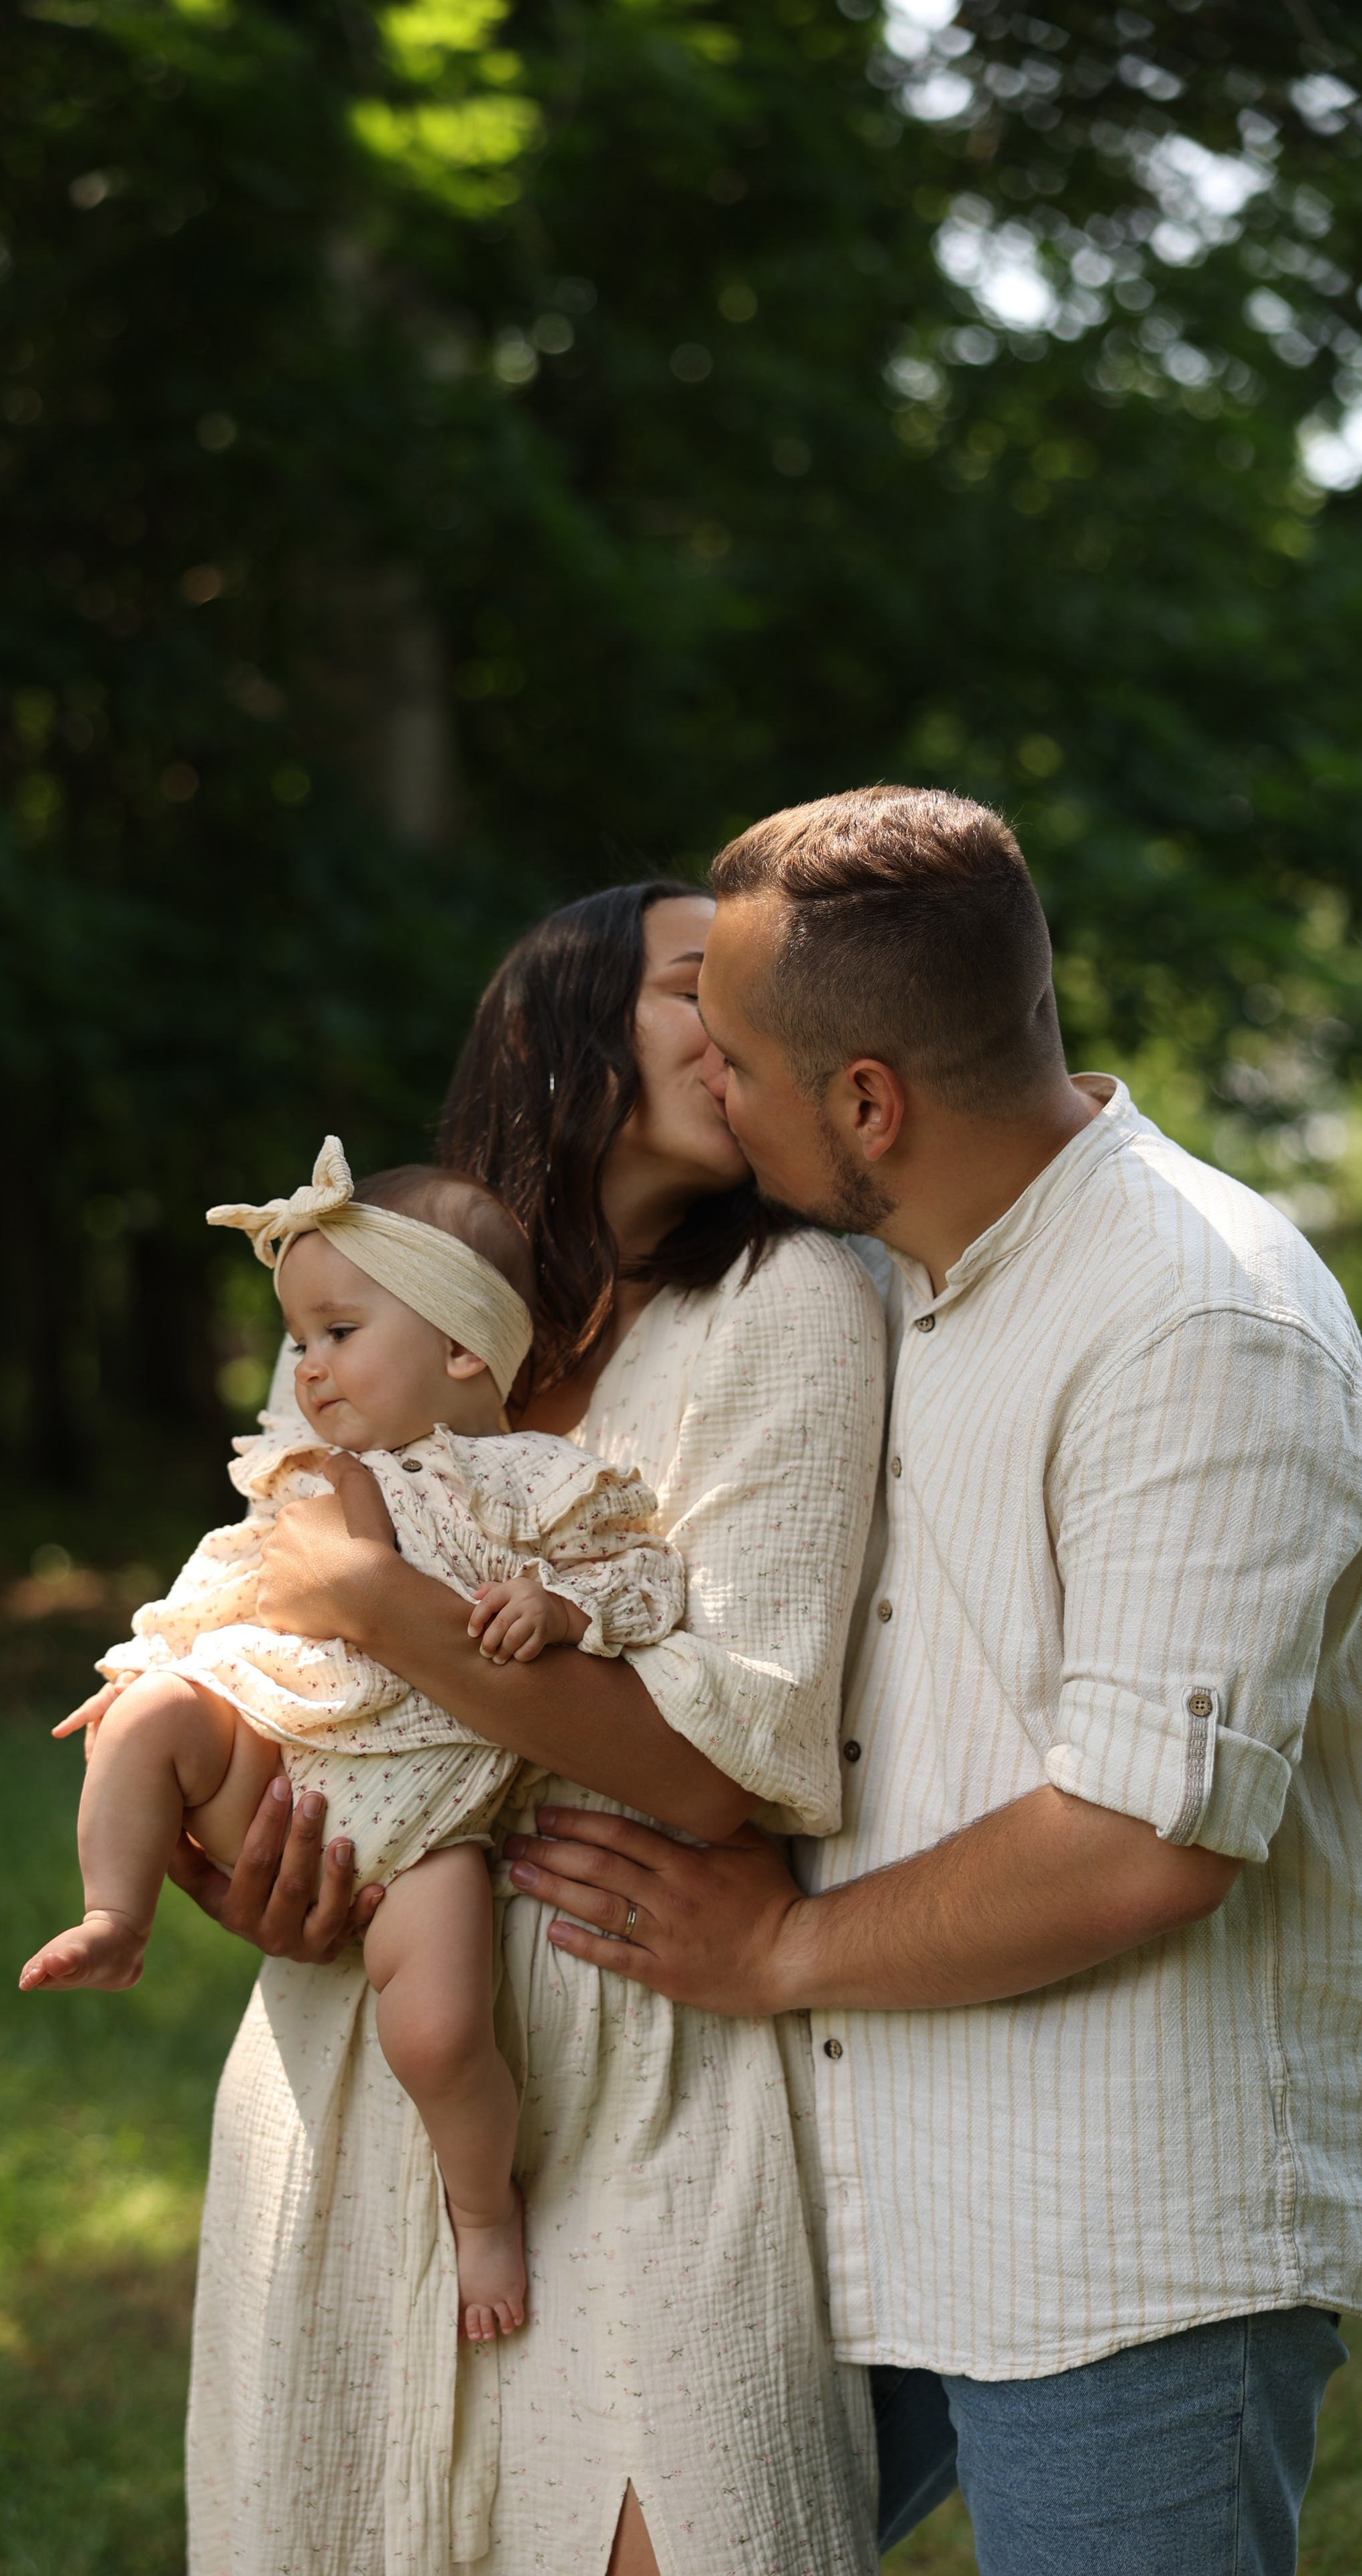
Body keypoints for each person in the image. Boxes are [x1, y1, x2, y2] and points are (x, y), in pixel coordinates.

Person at [501, 787, 1362, 2576]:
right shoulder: (878, 1284)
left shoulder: (1199, 1323)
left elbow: (1144, 1840)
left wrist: (780, 1952)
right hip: (854, 2184)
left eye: (731, 1057)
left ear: (869, 1099)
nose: (706, 1084)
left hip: (1121, 2233)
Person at [171, 885, 889, 2576]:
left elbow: (717, 1768)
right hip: (369, 2030)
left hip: (637, 2034)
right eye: (691, 985)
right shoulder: (374, 1296)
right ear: (562, 1034)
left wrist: (381, 1606)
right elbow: (257, 1645)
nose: (742, 1018)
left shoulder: (788, 1306)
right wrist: (238, 1858)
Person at [21, 1144, 685, 2343]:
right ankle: (116, 1916)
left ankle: (482, 2213)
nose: (309, 1370)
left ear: (462, 1349)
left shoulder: (543, 1484)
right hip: (286, 1755)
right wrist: (147, 1663)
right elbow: (227, 1580)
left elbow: (645, 1582)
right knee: (151, 1717)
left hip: (429, 1825)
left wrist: (566, 1611)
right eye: (299, 1343)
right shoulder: (311, 1482)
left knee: (439, 2033)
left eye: (337, 1333)